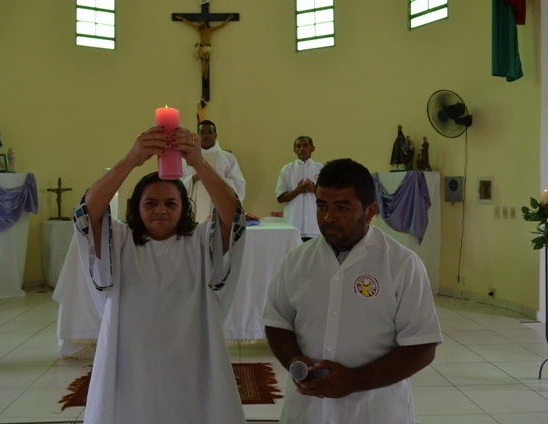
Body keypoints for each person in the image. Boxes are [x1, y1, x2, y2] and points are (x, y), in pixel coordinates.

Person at [73, 125, 247, 424]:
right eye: (150, 203)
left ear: (184, 208)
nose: (161, 210)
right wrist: (131, 159)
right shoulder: (120, 242)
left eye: (171, 203)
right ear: (136, 207)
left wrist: (198, 162)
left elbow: (233, 217)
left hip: (191, 360)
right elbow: (87, 212)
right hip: (131, 360)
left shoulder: (200, 242)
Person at [263, 158, 443, 424]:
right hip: (308, 410)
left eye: (342, 207)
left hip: (374, 412)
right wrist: (293, 359)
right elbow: (277, 321)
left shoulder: (401, 264)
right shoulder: (297, 261)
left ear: (370, 211)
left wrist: (355, 380)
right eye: (321, 206)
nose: (328, 217)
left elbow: (422, 346)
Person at [181, 119, 246, 223]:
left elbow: (239, 185)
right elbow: (178, 183)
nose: (205, 136)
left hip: (219, 211)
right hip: (194, 210)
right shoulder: (187, 158)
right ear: (197, 135)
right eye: (202, 132)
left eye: (209, 132)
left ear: (215, 135)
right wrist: (192, 178)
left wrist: (215, 177)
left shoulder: (228, 158)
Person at [275, 136, 323, 241]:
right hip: (293, 224)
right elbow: (280, 198)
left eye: (305, 146)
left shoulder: (321, 169)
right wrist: (298, 191)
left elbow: (330, 196)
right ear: (294, 150)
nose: (302, 149)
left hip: (315, 225)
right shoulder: (287, 170)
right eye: (298, 146)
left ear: (312, 148)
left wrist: (315, 190)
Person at [175, 15, 234, 79]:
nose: (200, 23)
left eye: (201, 22)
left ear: (204, 22)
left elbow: (221, 25)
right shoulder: (199, 29)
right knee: (202, 59)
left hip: (207, 47)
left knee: (206, 59)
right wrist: (182, 18)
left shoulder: (210, 29)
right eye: (199, 22)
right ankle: (203, 72)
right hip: (201, 46)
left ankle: (205, 72)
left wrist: (228, 18)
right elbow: (190, 24)